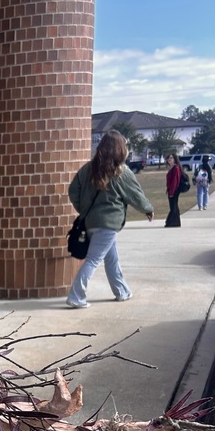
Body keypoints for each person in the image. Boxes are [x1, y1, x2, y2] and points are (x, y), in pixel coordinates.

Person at [66, 130, 154, 309]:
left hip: (91, 223)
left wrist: (83, 210)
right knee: (93, 260)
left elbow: (73, 191)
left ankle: (122, 291)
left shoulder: (87, 169)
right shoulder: (121, 171)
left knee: (111, 258)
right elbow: (135, 195)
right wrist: (148, 209)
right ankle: (76, 296)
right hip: (109, 224)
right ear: (120, 149)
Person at [165, 152, 184, 227]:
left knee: (173, 206)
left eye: (171, 158)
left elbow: (175, 181)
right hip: (170, 190)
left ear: (175, 159)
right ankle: (175, 221)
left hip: (174, 190)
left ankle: (172, 222)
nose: (169, 159)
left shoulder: (176, 168)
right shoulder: (171, 168)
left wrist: (172, 192)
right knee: (173, 206)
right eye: (168, 158)